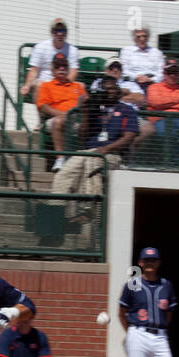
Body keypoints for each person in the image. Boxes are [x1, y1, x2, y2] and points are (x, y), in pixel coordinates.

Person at [56, 74, 134, 252]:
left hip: (113, 154)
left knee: (94, 162)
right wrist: (84, 111)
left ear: (119, 91)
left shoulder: (126, 109)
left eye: (113, 88)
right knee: (64, 173)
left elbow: (129, 136)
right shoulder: (94, 108)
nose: (110, 91)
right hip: (88, 151)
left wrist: (107, 149)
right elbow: (83, 136)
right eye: (106, 88)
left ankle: (86, 210)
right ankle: (54, 222)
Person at [36, 55, 86, 168]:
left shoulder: (77, 86)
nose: (61, 69)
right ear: (53, 70)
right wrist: (64, 115)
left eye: (64, 66)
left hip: (77, 118)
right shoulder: (46, 86)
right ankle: (60, 159)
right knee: (58, 122)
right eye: (58, 66)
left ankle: (82, 159)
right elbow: (43, 106)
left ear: (68, 69)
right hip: (56, 117)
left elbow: (86, 103)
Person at [22, 19, 80, 99]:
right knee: (39, 84)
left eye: (63, 30)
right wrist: (27, 86)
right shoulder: (40, 47)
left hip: (63, 82)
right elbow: (34, 70)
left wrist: (64, 85)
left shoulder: (73, 50)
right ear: (51, 32)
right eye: (56, 30)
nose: (60, 34)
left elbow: (73, 71)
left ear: (66, 33)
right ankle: (41, 111)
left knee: (81, 86)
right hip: (44, 83)